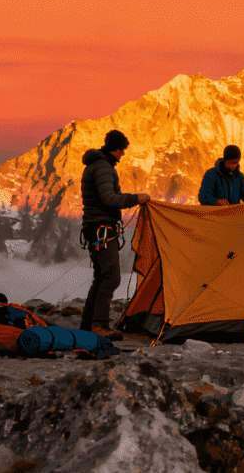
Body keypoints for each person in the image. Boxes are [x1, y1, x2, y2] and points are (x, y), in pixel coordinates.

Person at [80, 129, 149, 339]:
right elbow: (109, 198)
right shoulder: (103, 168)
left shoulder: (97, 165)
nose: (123, 155)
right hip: (101, 228)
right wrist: (136, 198)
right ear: (116, 149)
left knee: (101, 276)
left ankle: (89, 324)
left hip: (95, 228)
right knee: (111, 276)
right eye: (122, 150)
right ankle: (99, 325)